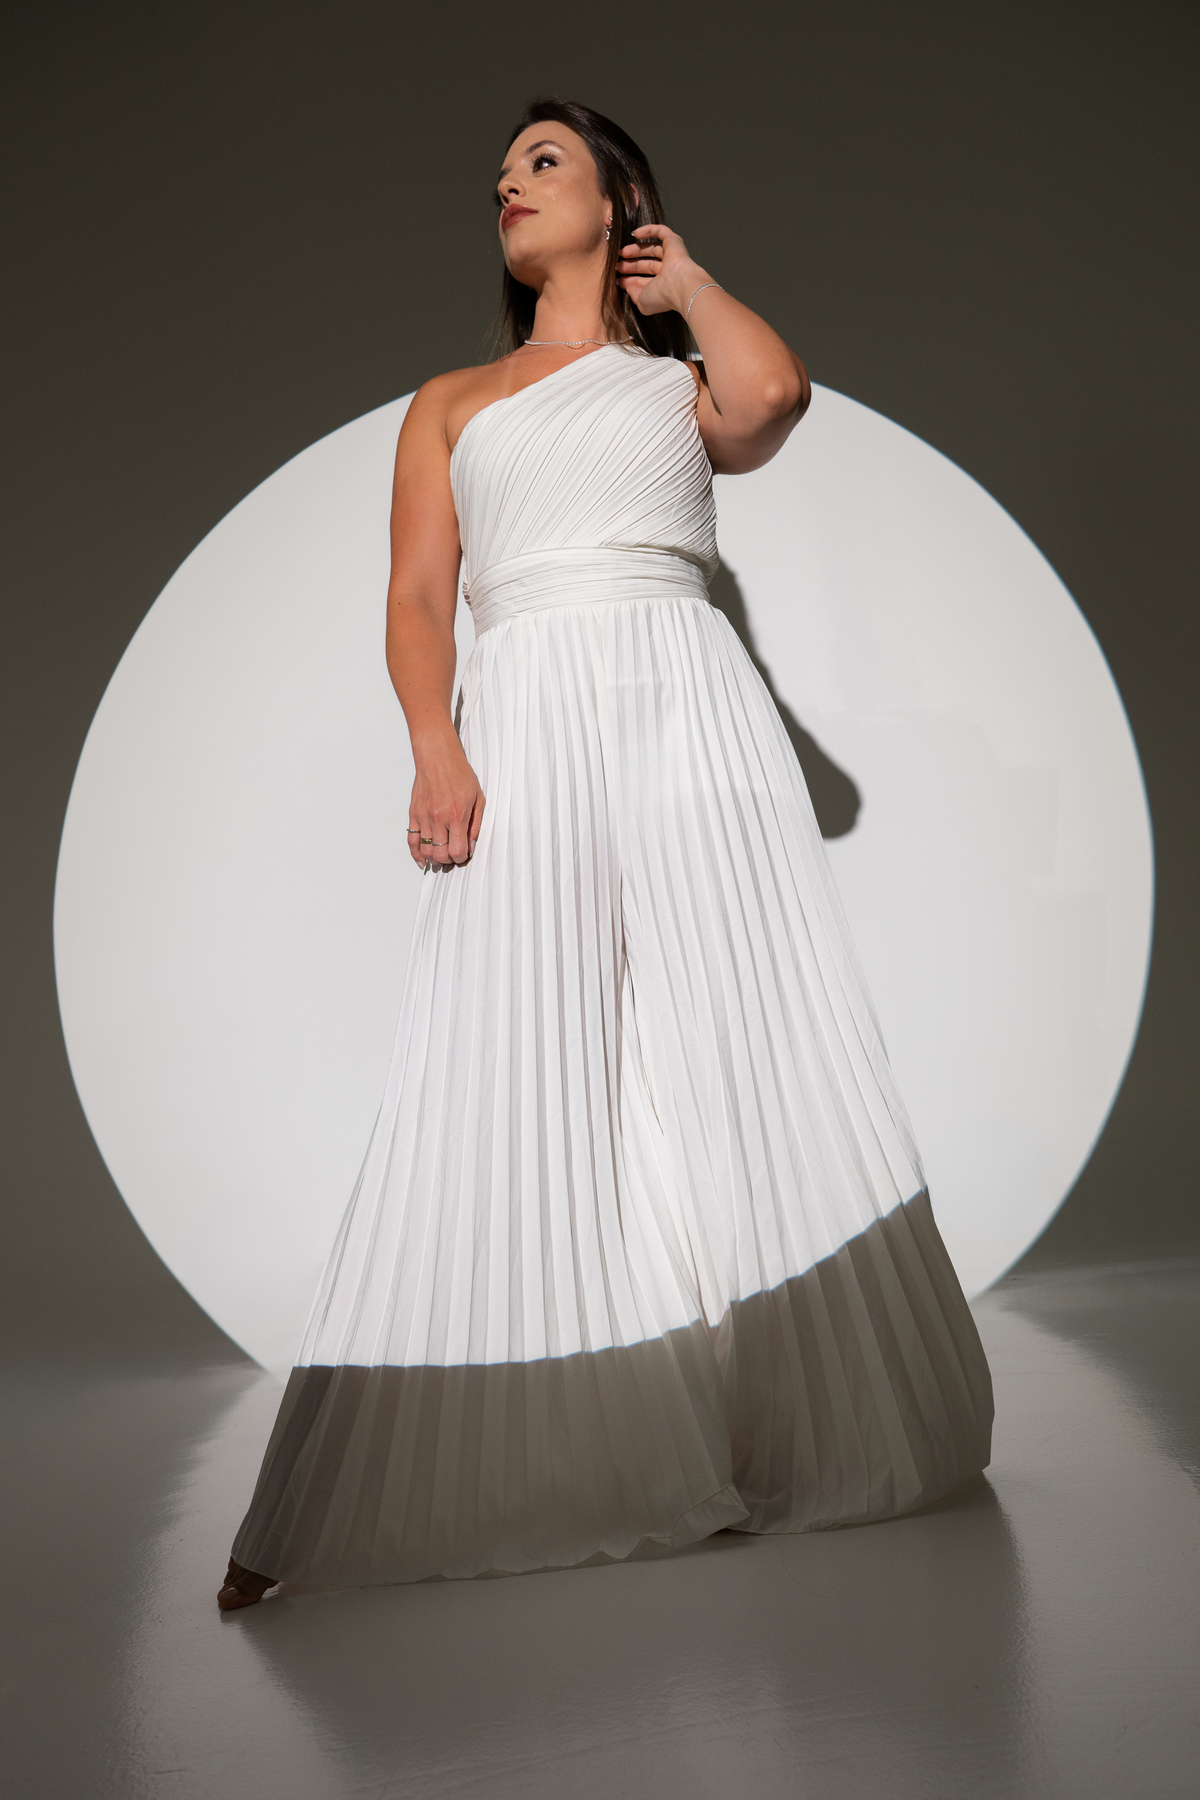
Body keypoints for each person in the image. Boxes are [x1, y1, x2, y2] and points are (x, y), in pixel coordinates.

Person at [218, 99, 993, 1611]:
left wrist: (686, 283)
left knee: (734, 1032)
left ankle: (772, 1426)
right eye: (501, 174)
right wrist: (437, 746)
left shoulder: (674, 386)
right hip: (525, 711)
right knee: (503, 1043)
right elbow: (417, 598)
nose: (508, 187)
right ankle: (373, 1486)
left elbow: (775, 397)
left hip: (689, 711)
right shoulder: (451, 402)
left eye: (543, 162)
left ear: (619, 201)